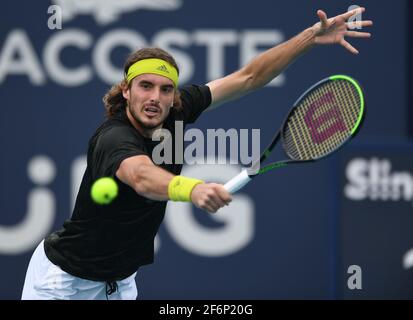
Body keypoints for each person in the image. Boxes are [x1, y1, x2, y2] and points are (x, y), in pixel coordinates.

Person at [21, 8, 372, 300]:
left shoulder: (176, 109)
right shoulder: (113, 137)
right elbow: (141, 176)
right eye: (145, 86)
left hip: (119, 284)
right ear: (126, 91)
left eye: (165, 88)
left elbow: (250, 76)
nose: (155, 97)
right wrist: (193, 189)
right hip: (62, 283)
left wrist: (310, 36)